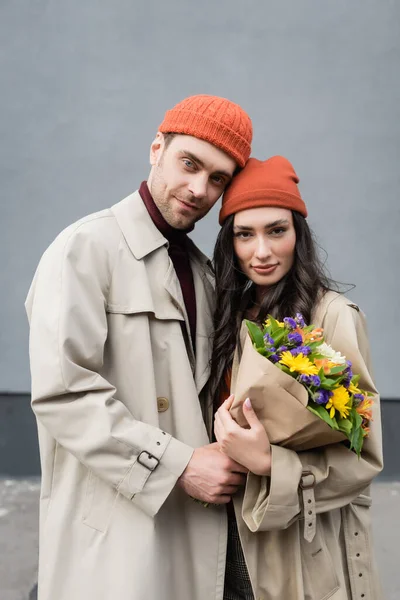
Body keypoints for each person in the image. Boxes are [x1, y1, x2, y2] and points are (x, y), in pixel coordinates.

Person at [25, 94, 253, 600]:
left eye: (218, 179)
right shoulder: (84, 249)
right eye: (189, 164)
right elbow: (65, 395)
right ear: (156, 148)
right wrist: (180, 465)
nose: (199, 189)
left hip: (194, 524)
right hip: (116, 529)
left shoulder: (204, 272)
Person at [211, 156, 383, 600]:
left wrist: (271, 463)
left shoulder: (332, 317)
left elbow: (363, 458)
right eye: (244, 235)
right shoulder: (227, 317)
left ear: (298, 234)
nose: (262, 251)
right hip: (223, 536)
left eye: (276, 230)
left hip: (298, 548)